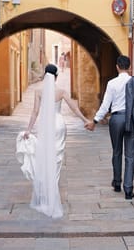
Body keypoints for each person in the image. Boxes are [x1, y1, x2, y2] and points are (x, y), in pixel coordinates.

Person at [16, 64, 92, 218]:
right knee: (56, 159)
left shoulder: (38, 91)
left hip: (45, 127)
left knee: (45, 158)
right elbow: (74, 108)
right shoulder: (61, 92)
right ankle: (53, 194)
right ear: (56, 77)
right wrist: (85, 120)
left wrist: (29, 130)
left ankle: (46, 196)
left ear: (45, 75)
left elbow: (35, 113)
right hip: (58, 125)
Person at [85, 55, 134, 200]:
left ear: (117, 67)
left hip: (116, 119)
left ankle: (117, 183)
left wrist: (95, 121)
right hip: (132, 119)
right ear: (130, 67)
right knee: (130, 154)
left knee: (116, 151)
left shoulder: (112, 83)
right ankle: (128, 189)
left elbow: (105, 104)